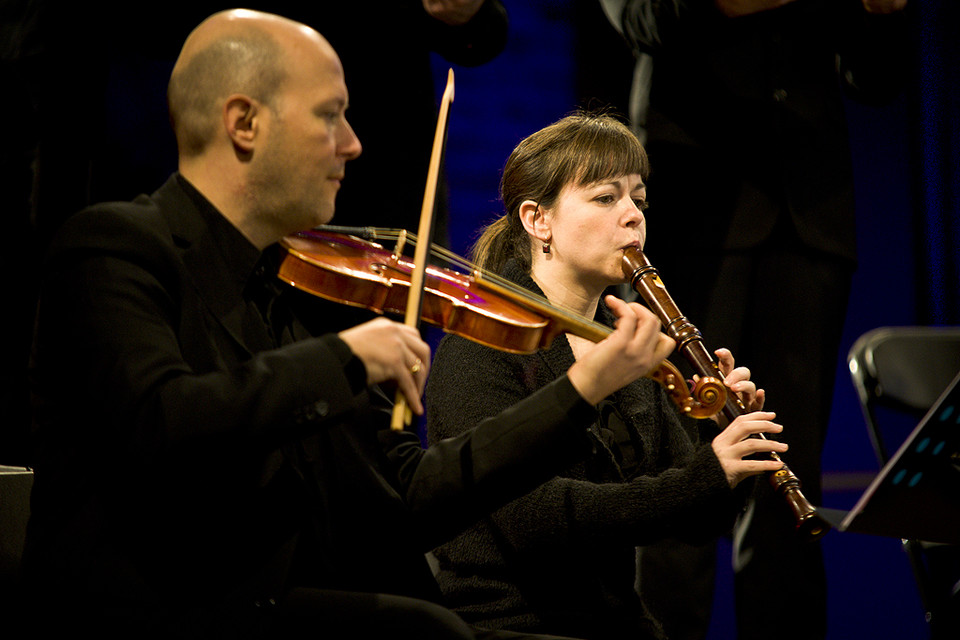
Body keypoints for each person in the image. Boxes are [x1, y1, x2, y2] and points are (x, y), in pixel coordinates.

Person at [21, 11, 694, 639]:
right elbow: (161, 421)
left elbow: (408, 494)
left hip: (259, 601)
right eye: (330, 116)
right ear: (243, 123)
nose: (353, 143)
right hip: (145, 605)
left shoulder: (296, 293)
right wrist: (343, 359)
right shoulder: (114, 246)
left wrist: (578, 395)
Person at [598, 1, 912, 639]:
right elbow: (645, 18)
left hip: (807, 216)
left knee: (788, 481)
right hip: (689, 212)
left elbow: (874, 79)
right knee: (676, 468)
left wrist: (881, 16)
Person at [424, 112, 789, 640]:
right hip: (511, 623)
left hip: (615, 620)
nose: (633, 216)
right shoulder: (483, 343)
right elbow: (532, 519)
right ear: (538, 220)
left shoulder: (625, 344)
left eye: (639, 200)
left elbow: (692, 522)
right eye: (605, 198)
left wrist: (723, 444)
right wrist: (704, 475)